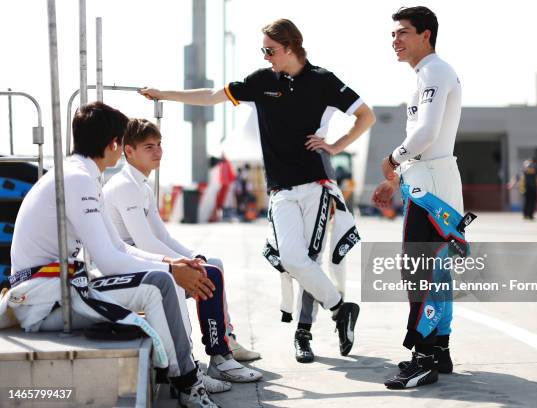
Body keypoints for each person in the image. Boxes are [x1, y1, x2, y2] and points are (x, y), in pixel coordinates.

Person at [139, 18, 376, 363]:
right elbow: (212, 96)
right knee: (293, 259)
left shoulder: (323, 81)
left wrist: (336, 146)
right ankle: (341, 308)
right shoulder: (261, 81)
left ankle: (304, 332)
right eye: (263, 50)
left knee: (308, 260)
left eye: (271, 50)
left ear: (291, 46)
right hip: (280, 189)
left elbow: (365, 116)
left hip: (315, 184)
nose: (266, 56)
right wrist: (164, 95)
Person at [0, 102, 219, 407]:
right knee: (159, 285)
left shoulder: (80, 175)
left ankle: (184, 372)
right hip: (42, 300)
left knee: (162, 278)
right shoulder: (77, 180)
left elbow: (117, 246)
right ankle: (186, 383)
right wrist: (171, 273)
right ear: (114, 144)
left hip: (53, 289)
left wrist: (170, 262)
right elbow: (109, 261)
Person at [102, 118, 263, 384]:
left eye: (159, 145)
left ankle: (225, 343)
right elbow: (143, 243)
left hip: (143, 258)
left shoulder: (141, 185)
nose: (158, 152)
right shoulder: (124, 186)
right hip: (128, 262)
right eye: (149, 147)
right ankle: (207, 359)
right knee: (194, 275)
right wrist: (184, 264)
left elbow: (162, 235)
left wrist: (193, 256)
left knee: (212, 263)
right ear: (128, 152)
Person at [372, 6, 471, 388]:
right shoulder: (427, 74)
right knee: (436, 274)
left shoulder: (434, 71)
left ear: (425, 35)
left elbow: (426, 133)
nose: (395, 40)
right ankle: (439, 350)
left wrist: (391, 159)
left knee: (420, 274)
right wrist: (397, 178)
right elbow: (429, 144)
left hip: (433, 191)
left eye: (403, 33)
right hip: (429, 184)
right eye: (393, 34)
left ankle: (423, 358)